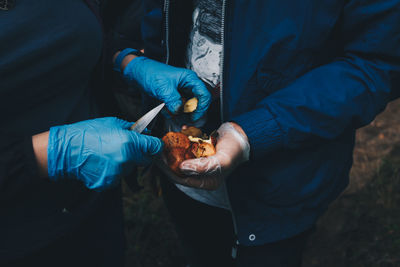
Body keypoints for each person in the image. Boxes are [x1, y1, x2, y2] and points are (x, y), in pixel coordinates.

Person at [113, 0, 400, 266]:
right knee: (201, 249)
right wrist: (132, 60)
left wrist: (254, 132)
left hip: (281, 181)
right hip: (181, 175)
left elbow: (376, 62)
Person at [0, 0, 211, 266]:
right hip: (19, 240)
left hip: (93, 205)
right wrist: (51, 152)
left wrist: (125, 62)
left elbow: (63, 34)